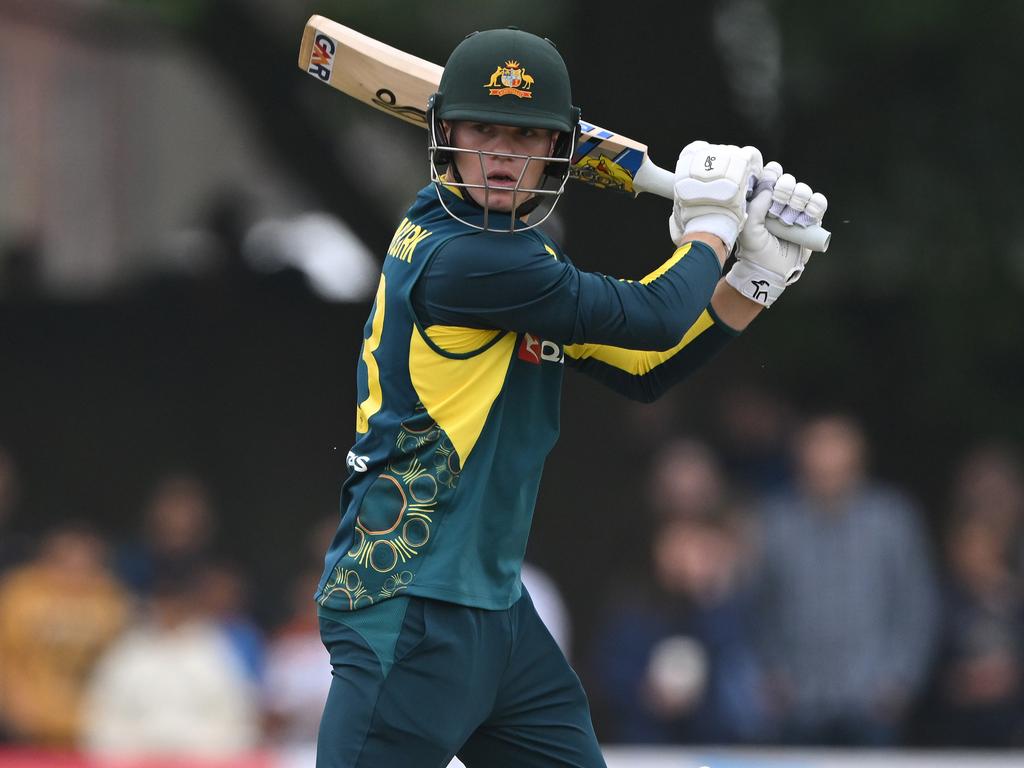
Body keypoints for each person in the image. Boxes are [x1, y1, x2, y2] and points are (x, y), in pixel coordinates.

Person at [313, 27, 828, 768]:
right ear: (446, 135)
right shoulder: (466, 258)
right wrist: (714, 228)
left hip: (494, 612)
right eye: (482, 130)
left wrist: (753, 280)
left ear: (558, 152)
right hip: (407, 603)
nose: (499, 154)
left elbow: (642, 364)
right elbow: (650, 314)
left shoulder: (519, 257)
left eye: (524, 137)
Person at [751, 414, 938, 746]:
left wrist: (901, 679)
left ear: (857, 462)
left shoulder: (892, 519)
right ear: (800, 461)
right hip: (799, 698)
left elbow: (916, 603)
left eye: (835, 462)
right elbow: (759, 604)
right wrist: (772, 672)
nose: (826, 470)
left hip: (872, 698)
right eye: (817, 461)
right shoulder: (775, 522)